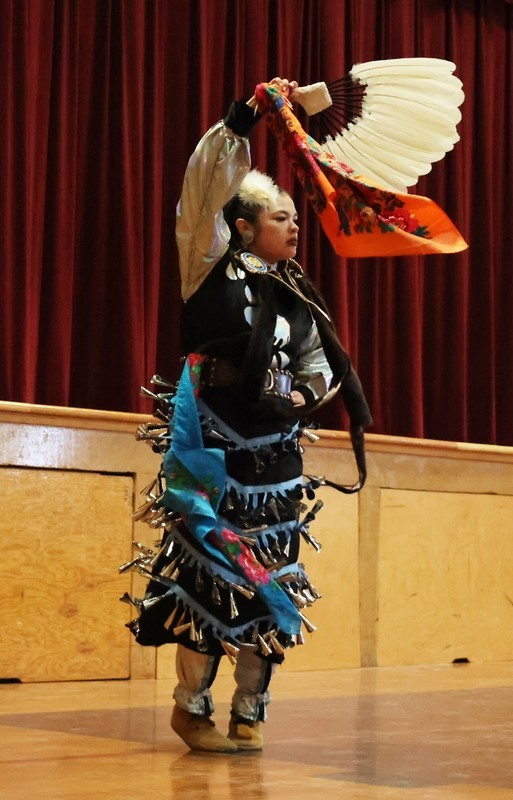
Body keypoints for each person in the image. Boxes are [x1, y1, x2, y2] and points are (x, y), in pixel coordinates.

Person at [123, 77, 371, 753]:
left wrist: (304, 395)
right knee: (210, 574)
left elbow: (320, 363)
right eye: (280, 218)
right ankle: (191, 707)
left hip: (276, 459)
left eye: (295, 218)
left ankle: (250, 711)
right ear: (241, 227)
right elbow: (202, 189)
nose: (295, 226)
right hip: (211, 448)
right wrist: (242, 121)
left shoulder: (297, 294)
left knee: (272, 579)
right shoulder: (207, 264)